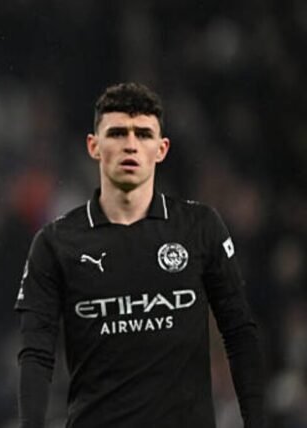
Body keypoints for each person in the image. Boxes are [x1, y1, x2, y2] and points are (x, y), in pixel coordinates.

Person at [15, 82, 265, 427]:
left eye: (144, 134)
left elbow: (239, 333)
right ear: (94, 146)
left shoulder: (199, 227)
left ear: (162, 149)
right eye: (117, 133)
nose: (131, 145)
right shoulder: (56, 243)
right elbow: (36, 354)